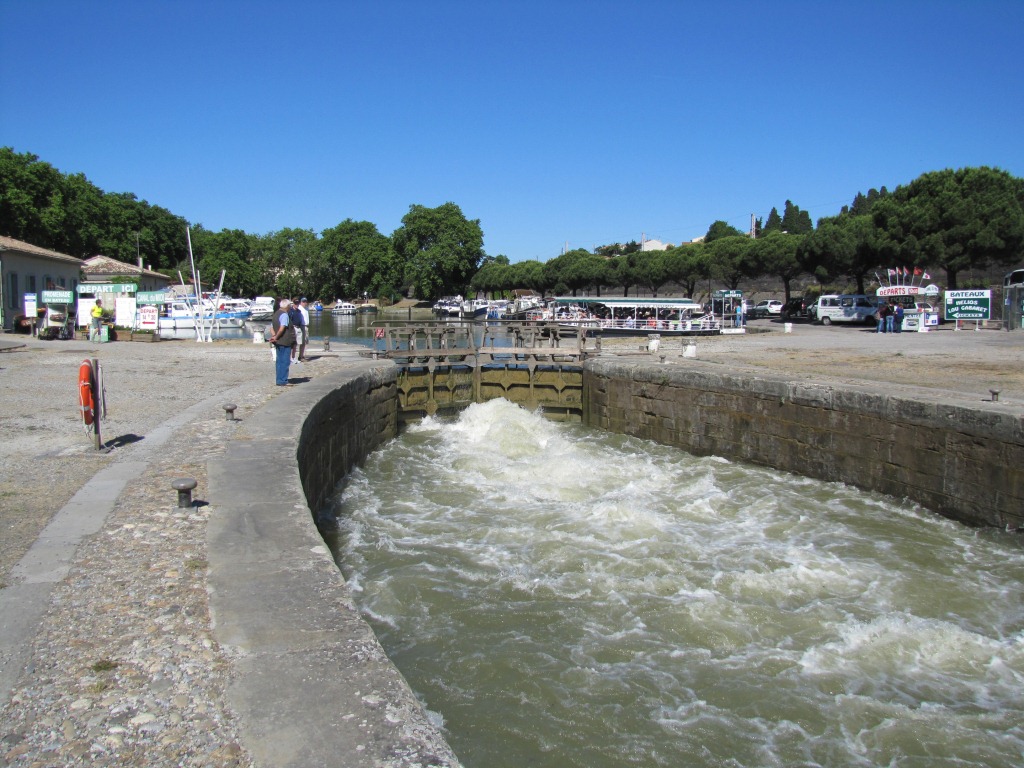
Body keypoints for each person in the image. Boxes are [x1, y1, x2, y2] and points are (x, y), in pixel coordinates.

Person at [268, 298, 295, 386]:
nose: (290, 307)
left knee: (279, 361)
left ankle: (279, 379)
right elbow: (282, 328)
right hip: (284, 341)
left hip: (278, 341)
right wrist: (276, 336)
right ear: (287, 306)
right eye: (289, 305)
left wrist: (274, 336)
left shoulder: (276, 314)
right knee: (285, 361)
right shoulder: (284, 315)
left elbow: (271, 327)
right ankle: (283, 380)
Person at [288, 297, 305, 363]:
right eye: (295, 303)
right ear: (293, 303)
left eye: (298, 303)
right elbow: (289, 320)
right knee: (292, 344)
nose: (297, 305)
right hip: (293, 328)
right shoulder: (290, 311)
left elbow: (300, 320)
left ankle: (293, 357)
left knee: (297, 343)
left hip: (298, 327)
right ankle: (290, 358)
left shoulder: (299, 311)